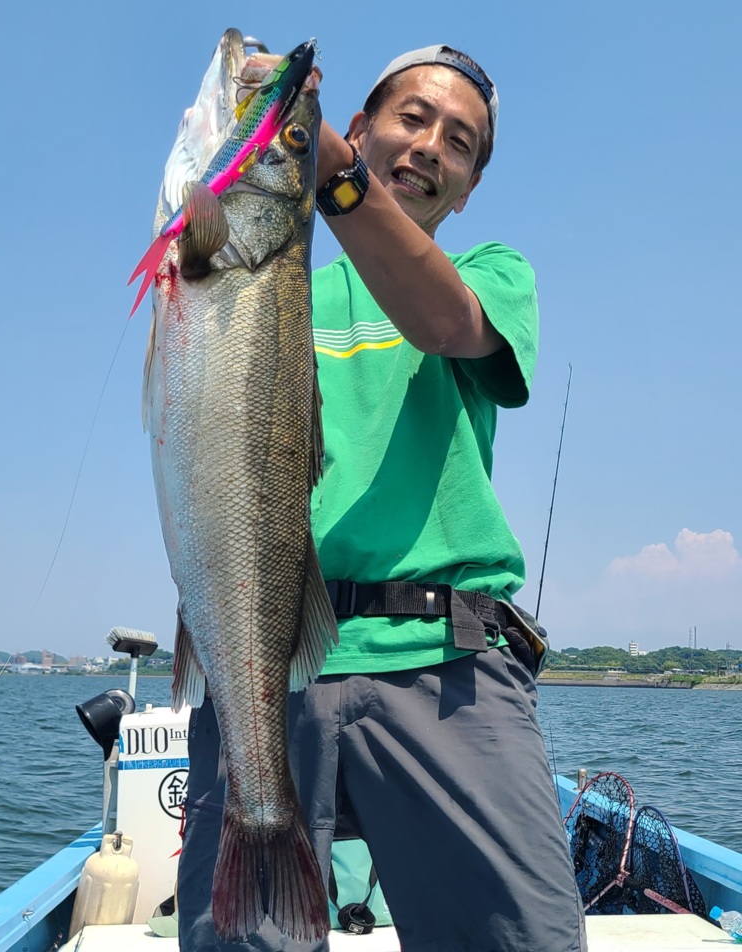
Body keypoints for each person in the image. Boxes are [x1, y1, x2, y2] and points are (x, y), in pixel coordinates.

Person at [178, 44, 586, 952]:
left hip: (448, 665)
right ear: (358, 128)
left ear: (470, 187)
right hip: (265, 660)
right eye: (411, 117)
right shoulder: (265, 272)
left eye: (461, 142)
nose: (431, 144)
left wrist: (335, 181)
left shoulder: (489, 273)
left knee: (525, 938)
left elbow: (444, 323)